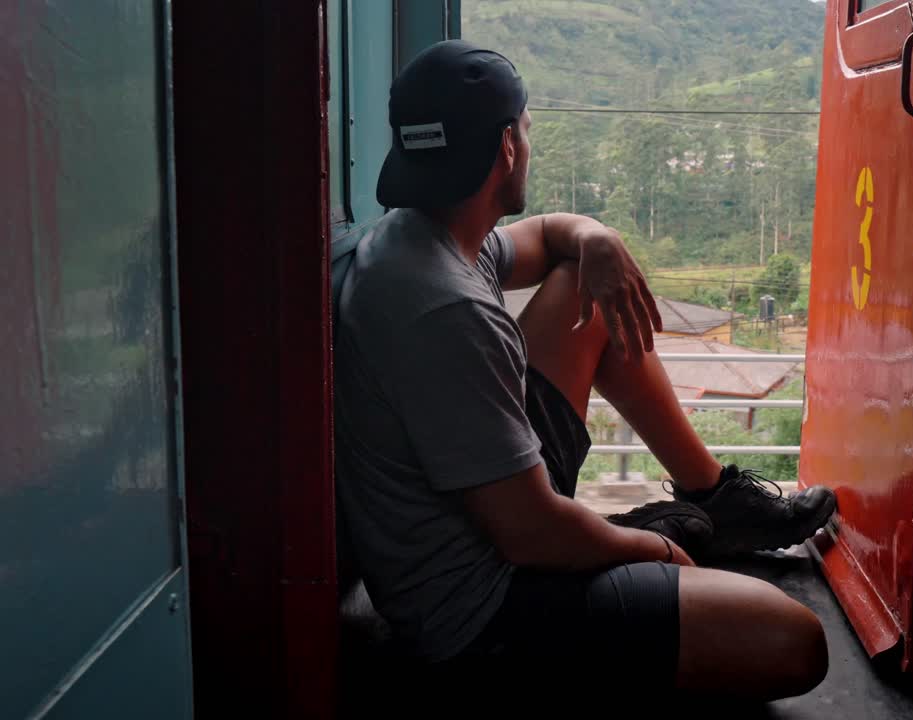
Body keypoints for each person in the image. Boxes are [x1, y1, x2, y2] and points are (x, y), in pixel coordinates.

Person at [334, 40, 836, 701]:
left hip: (487, 510)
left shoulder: (420, 235)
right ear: (508, 148)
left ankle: (715, 498)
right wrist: (647, 551)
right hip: (483, 613)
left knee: (587, 287)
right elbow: (528, 531)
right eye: (528, 129)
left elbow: (547, 238)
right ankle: (641, 536)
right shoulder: (445, 307)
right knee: (794, 641)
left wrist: (596, 238)